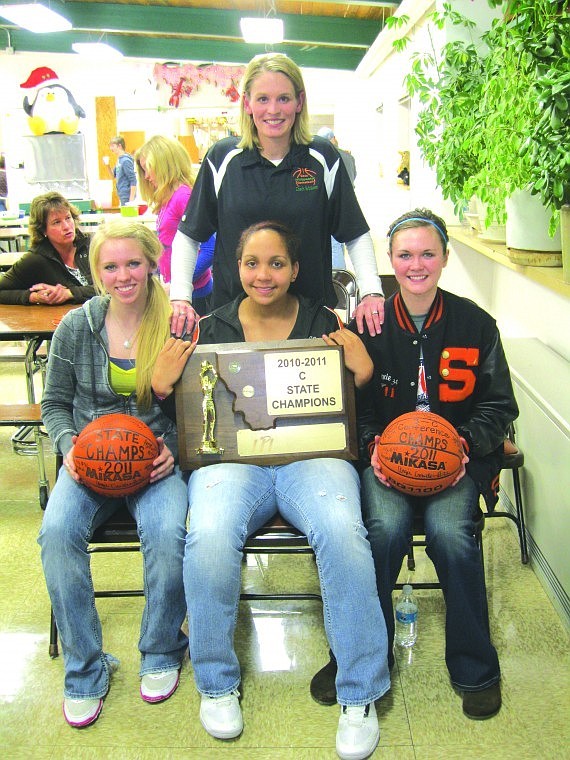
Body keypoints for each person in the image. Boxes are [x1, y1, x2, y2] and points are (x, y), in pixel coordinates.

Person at [152, 221, 390, 760]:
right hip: (233, 465)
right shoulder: (208, 328)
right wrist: (162, 386)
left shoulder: (323, 322)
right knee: (208, 534)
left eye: (277, 263)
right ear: (236, 269)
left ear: (296, 269)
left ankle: (360, 692)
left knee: (343, 531)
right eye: (252, 263)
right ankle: (215, 683)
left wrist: (361, 371)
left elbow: (353, 405)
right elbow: (190, 415)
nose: (264, 274)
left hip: (314, 459)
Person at [314, 208, 518, 720]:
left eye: (428, 253)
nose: (416, 264)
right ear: (391, 260)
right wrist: (374, 447)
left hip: (457, 463)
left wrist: (459, 444)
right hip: (386, 463)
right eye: (405, 255)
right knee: (381, 530)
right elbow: (348, 405)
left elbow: (500, 406)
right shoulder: (371, 324)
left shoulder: (476, 322)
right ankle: (358, 657)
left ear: (446, 258)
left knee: (452, 534)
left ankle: (476, 666)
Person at [38, 219, 188, 729]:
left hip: (154, 462)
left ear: (151, 263)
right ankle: (84, 670)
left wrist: (175, 447)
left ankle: (162, 648)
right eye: (110, 266)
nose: (123, 275)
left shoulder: (179, 323)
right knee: (56, 533)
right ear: (95, 271)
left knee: (169, 533)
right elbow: (55, 404)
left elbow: (202, 405)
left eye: (132, 263)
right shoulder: (76, 327)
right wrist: (68, 450)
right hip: (90, 460)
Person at [169, 52, 385, 339]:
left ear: (299, 102)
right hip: (235, 324)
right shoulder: (222, 159)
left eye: (283, 98)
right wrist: (180, 296)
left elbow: (355, 232)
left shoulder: (322, 158)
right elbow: (189, 234)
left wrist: (372, 290)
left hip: (311, 324)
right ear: (247, 103)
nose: (273, 109)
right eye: (262, 99)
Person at [135, 135, 213, 315]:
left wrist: (178, 285)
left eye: (149, 169)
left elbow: (209, 249)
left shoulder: (183, 197)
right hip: (178, 293)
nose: (146, 176)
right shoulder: (168, 198)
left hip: (194, 296)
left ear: (163, 165)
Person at [0, 191, 95, 305]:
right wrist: (33, 297)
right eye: (56, 222)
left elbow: (112, 287)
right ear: (43, 230)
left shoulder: (92, 245)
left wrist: (69, 293)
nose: (66, 226)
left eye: (68, 218)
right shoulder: (36, 258)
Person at [316, 127, 357, 270]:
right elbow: (354, 176)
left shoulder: (322, 158)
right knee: (341, 243)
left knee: (334, 244)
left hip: (330, 206)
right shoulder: (348, 157)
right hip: (347, 203)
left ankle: (338, 278)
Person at [104, 136, 137, 206]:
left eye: (113, 146)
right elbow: (113, 176)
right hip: (122, 195)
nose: (111, 148)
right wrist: (107, 165)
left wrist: (131, 200)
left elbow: (133, 180)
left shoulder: (125, 161)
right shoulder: (119, 160)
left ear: (119, 146)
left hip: (127, 196)